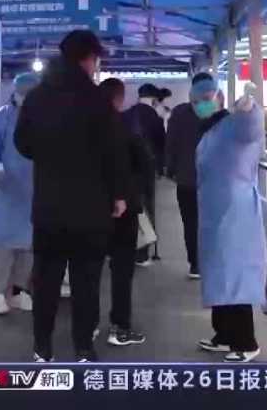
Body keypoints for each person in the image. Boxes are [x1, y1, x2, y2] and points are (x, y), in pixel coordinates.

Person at [14, 30, 128, 363]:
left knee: (46, 280)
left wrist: (48, 155)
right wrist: (118, 195)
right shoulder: (97, 100)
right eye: (95, 60)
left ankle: (42, 347)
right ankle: (83, 348)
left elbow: (22, 143)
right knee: (86, 282)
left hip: (48, 207)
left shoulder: (37, 97)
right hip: (90, 208)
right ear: (87, 59)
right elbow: (114, 152)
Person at [193, 81, 267, 363]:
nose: (200, 104)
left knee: (235, 277)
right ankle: (223, 334)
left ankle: (246, 342)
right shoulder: (211, 131)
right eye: (195, 100)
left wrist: (249, 108)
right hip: (215, 213)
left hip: (235, 214)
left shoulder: (234, 124)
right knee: (219, 276)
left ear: (220, 98)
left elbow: (252, 129)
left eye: (205, 98)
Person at [0, 72, 40, 315]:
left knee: (29, 246)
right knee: (4, 246)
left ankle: (19, 290)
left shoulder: (42, 118)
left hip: (34, 191)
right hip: (6, 189)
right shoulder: (1, 117)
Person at [98, 78, 149, 347]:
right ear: (119, 99)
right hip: (124, 209)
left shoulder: (83, 129)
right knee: (121, 270)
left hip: (89, 209)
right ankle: (119, 327)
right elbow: (145, 163)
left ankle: (87, 325)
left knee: (88, 269)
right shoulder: (126, 127)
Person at [166, 73, 215, 280]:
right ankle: (209, 262)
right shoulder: (216, 113)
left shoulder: (179, 113)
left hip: (186, 179)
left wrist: (171, 168)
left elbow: (171, 143)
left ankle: (195, 264)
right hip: (213, 181)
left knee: (190, 222)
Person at [124, 84, 164, 265]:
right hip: (147, 168)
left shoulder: (127, 114)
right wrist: (161, 168)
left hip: (127, 169)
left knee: (130, 207)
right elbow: (161, 144)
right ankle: (142, 253)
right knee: (146, 208)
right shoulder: (154, 116)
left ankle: (125, 248)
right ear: (154, 100)